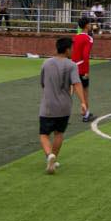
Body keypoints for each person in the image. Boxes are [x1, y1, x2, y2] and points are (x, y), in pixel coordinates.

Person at [39, 36, 83, 174]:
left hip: (48, 105)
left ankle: (49, 155)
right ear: (67, 49)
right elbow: (76, 84)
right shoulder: (72, 65)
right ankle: (54, 158)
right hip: (64, 106)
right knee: (59, 133)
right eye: (72, 48)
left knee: (44, 134)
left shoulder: (46, 63)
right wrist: (83, 102)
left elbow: (42, 84)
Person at [71, 16, 94, 122]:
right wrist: (86, 71)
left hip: (72, 66)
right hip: (81, 68)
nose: (90, 25)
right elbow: (85, 56)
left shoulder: (76, 37)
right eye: (89, 24)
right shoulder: (88, 38)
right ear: (86, 26)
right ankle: (86, 114)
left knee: (70, 91)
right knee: (84, 91)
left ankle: (61, 114)